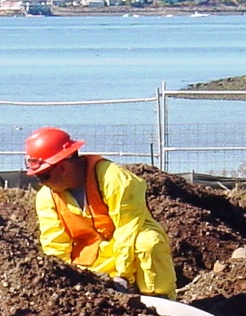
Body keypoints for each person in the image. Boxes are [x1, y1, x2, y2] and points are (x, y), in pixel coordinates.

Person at [24, 127, 176, 298]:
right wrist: (63, 283)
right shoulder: (47, 197)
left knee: (147, 242)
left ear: (62, 167)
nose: (43, 183)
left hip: (129, 251)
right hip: (93, 262)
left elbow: (128, 229)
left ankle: (160, 300)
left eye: (44, 176)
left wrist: (123, 276)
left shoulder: (113, 178)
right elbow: (55, 247)